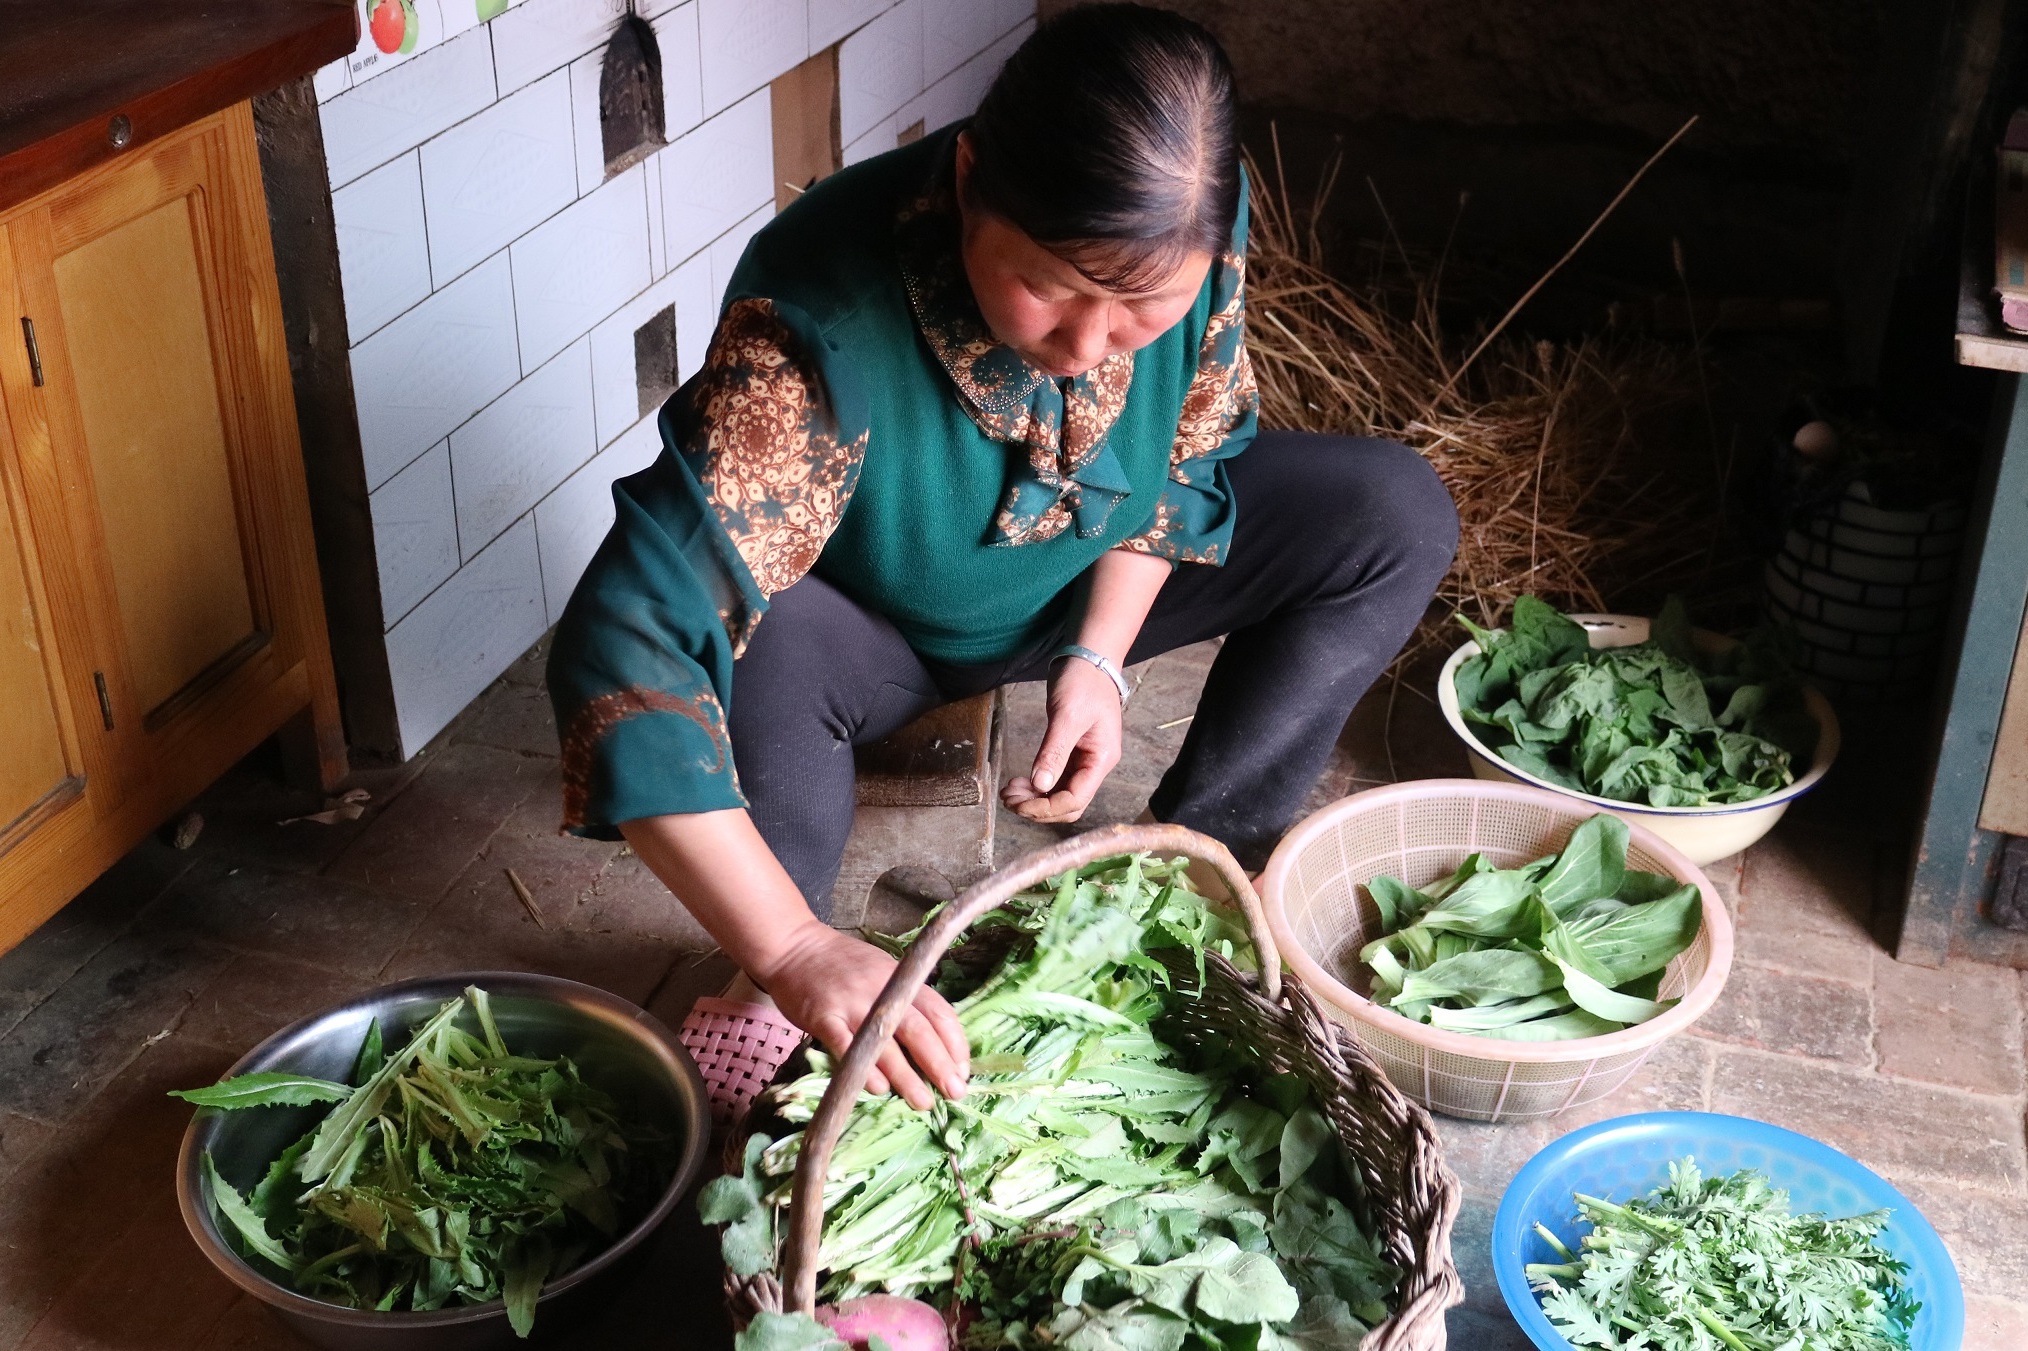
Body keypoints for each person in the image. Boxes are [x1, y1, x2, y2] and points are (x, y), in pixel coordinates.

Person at [546, 3, 1457, 1112]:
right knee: (771, 863)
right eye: (1053, 285)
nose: (1086, 347)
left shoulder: (1189, 225)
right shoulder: (816, 322)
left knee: (1391, 511)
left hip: (1073, 573)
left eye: (1139, 311)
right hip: (861, 629)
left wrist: (1102, 658)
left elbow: (1185, 451)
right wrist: (790, 944)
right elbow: (625, 642)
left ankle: (1196, 883)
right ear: (974, 176)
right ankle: (771, 981)